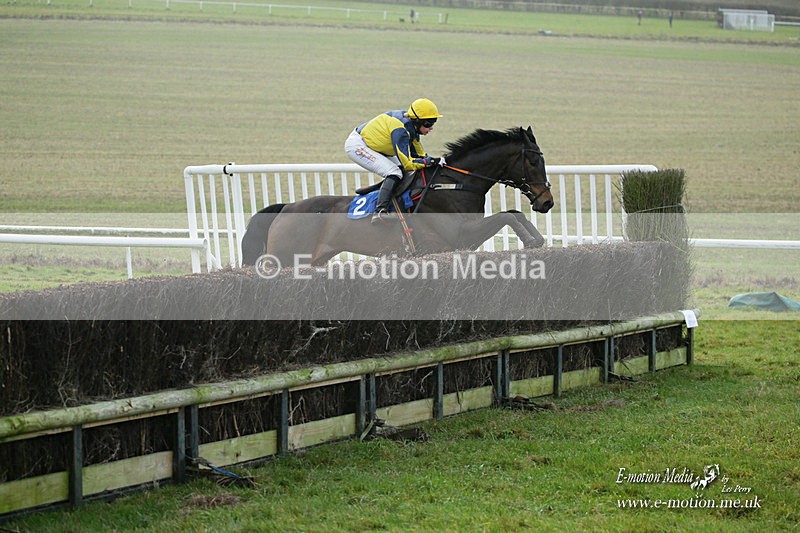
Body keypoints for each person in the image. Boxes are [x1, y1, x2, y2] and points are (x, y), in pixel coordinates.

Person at [344, 98, 444, 223]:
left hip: (378, 147)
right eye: (428, 124)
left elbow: (420, 155)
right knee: (394, 172)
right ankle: (380, 211)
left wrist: (433, 161)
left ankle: (376, 191)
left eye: (433, 123)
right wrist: (430, 161)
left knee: (402, 171)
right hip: (359, 145)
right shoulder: (401, 130)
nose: (431, 128)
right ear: (417, 121)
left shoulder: (412, 128)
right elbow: (408, 164)